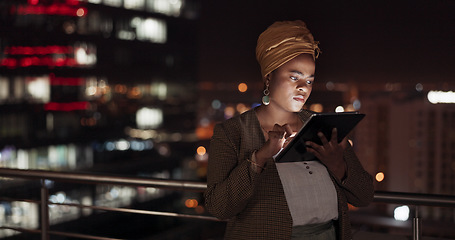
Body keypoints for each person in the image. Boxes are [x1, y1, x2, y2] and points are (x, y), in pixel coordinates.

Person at [204, 20, 374, 240]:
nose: (303, 87)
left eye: (310, 80)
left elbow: (364, 196)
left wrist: (338, 165)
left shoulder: (321, 126)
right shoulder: (232, 133)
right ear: (269, 77)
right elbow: (219, 208)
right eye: (294, 77)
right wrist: (260, 157)